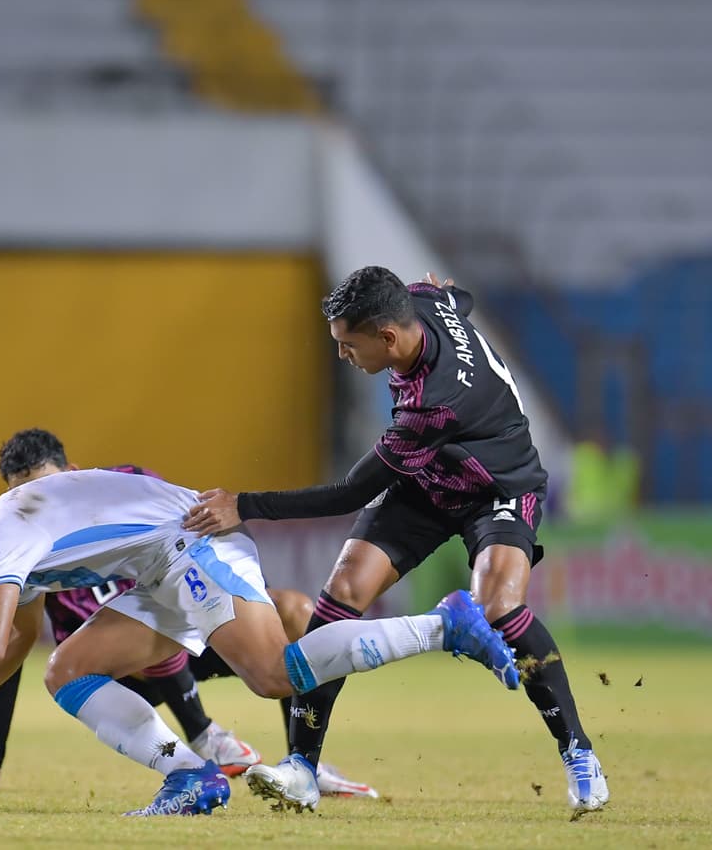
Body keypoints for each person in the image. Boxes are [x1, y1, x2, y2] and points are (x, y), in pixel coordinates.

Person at [0, 470, 518, 816]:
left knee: (273, 675)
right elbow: (14, 640)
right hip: (160, 567)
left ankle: (445, 622)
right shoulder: (10, 528)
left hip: (193, 545)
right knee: (68, 667)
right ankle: (188, 777)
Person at [185, 267, 608, 813]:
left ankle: (578, 748)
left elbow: (347, 494)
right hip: (427, 482)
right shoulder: (421, 301)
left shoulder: (436, 401)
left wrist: (244, 506)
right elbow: (460, 294)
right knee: (340, 597)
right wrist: (448, 293)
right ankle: (302, 769)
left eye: (346, 344)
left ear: (387, 337)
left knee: (500, 606)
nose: (342, 355)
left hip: (498, 489)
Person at [0, 428, 377, 799]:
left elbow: (205, 559)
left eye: (43, 488)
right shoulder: (23, 547)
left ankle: (305, 764)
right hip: (121, 670)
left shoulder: (126, 487)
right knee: (151, 622)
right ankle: (206, 736)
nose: (35, 505)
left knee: (293, 612)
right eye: (23, 497)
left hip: (186, 632)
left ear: (71, 473)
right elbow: (12, 641)